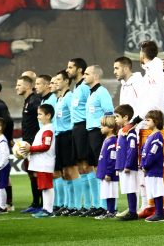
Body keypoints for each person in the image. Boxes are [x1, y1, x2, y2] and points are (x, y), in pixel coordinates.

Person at [137, 40, 164, 218]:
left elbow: (157, 98)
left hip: (155, 124)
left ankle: (162, 207)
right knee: (148, 165)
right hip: (145, 124)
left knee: (159, 165)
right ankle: (151, 205)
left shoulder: (157, 70)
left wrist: (153, 120)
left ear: (143, 53)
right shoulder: (149, 71)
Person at [83, 65, 114, 216]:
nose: (84, 76)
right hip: (91, 132)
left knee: (102, 167)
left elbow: (109, 112)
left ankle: (107, 206)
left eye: (87, 74)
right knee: (95, 167)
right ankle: (99, 204)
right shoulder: (92, 93)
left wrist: (105, 130)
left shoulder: (102, 92)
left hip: (98, 132)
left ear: (95, 76)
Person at [50, 71, 80, 217]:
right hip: (59, 136)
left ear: (67, 81)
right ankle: (67, 205)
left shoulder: (69, 97)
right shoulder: (59, 98)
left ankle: (76, 205)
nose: (55, 82)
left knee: (71, 170)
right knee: (64, 172)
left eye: (58, 80)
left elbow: (74, 117)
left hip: (68, 135)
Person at [66, 58, 93, 216]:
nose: (67, 70)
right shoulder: (76, 88)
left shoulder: (85, 87)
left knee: (87, 165)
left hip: (83, 127)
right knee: (81, 167)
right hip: (76, 128)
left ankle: (95, 204)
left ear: (80, 69)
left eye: (71, 67)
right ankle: (87, 205)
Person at [21, 104, 56, 218]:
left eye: (40, 114)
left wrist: (30, 148)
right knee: (44, 187)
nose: (38, 117)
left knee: (47, 186)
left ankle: (48, 211)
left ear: (48, 115)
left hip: (45, 163)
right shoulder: (44, 129)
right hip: (42, 163)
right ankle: (45, 209)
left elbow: (46, 146)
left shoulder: (48, 130)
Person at [16, 75, 42, 213]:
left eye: (19, 85)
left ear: (27, 86)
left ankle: (42, 204)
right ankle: (35, 203)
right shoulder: (28, 101)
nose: (16, 87)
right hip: (27, 143)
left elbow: (42, 120)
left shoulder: (35, 101)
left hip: (34, 143)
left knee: (36, 173)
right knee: (31, 173)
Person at [114, 104, 139, 221]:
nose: (115, 119)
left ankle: (133, 212)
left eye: (117, 116)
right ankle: (131, 209)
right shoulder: (122, 131)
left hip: (128, 166)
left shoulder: (131, 132)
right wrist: (118, 167)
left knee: (130, 188)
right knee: (127, 189)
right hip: (122, 165)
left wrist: (128, 165)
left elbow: (132, 149)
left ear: (125, 117)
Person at [140, 110, 164, 222]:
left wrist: (146, 164)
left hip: (154, 169)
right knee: (153, 190)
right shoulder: (150, 135)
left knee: (157, 191)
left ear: (156, 121)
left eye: (148, 120)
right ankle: (157, 212)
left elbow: (153, 153)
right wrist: (142, 164)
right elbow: (143, 151)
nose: (146, 122)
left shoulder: (157, 136)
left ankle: (160, 213)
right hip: (149, 169)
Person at [95, 115, 119, 219]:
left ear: (111, 128)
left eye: (103, 125)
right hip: (104, 172)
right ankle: (109, 210)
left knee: (110, 192)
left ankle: (111, 211)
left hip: (109, 174)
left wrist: (109, 173)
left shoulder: (112, 141)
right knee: (106, 192)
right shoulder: (107, 139)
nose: (101, 127)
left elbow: (112, 159)